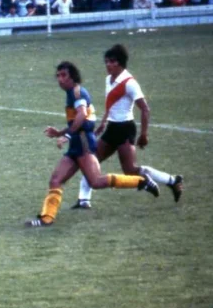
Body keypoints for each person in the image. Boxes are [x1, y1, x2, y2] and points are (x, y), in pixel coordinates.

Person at [25, 61, 160, 228]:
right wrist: (59, 133)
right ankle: (47, 218)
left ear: (73, 77)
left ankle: (141, 181)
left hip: (83, 142)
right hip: (77, 142)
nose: (60, 79)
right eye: (58, 76)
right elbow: (81, 119)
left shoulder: (77, 93)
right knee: (55, 179)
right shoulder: (71, 93)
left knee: (95, 181)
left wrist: (66, 135)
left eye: (64, 75)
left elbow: (81, 116)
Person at [73, 45, 183, 209]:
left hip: (125, 129)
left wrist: (144, 134)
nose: (107, 65)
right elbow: (111, 104)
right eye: (106, 61)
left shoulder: (130, 83)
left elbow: (145, 109)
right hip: (112, 128)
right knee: (91, 160)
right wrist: (104, 122)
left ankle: (172, 181)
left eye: (111, 62)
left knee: (130, 170)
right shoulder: (108, 79)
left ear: (120, 63)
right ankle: (84, 201)